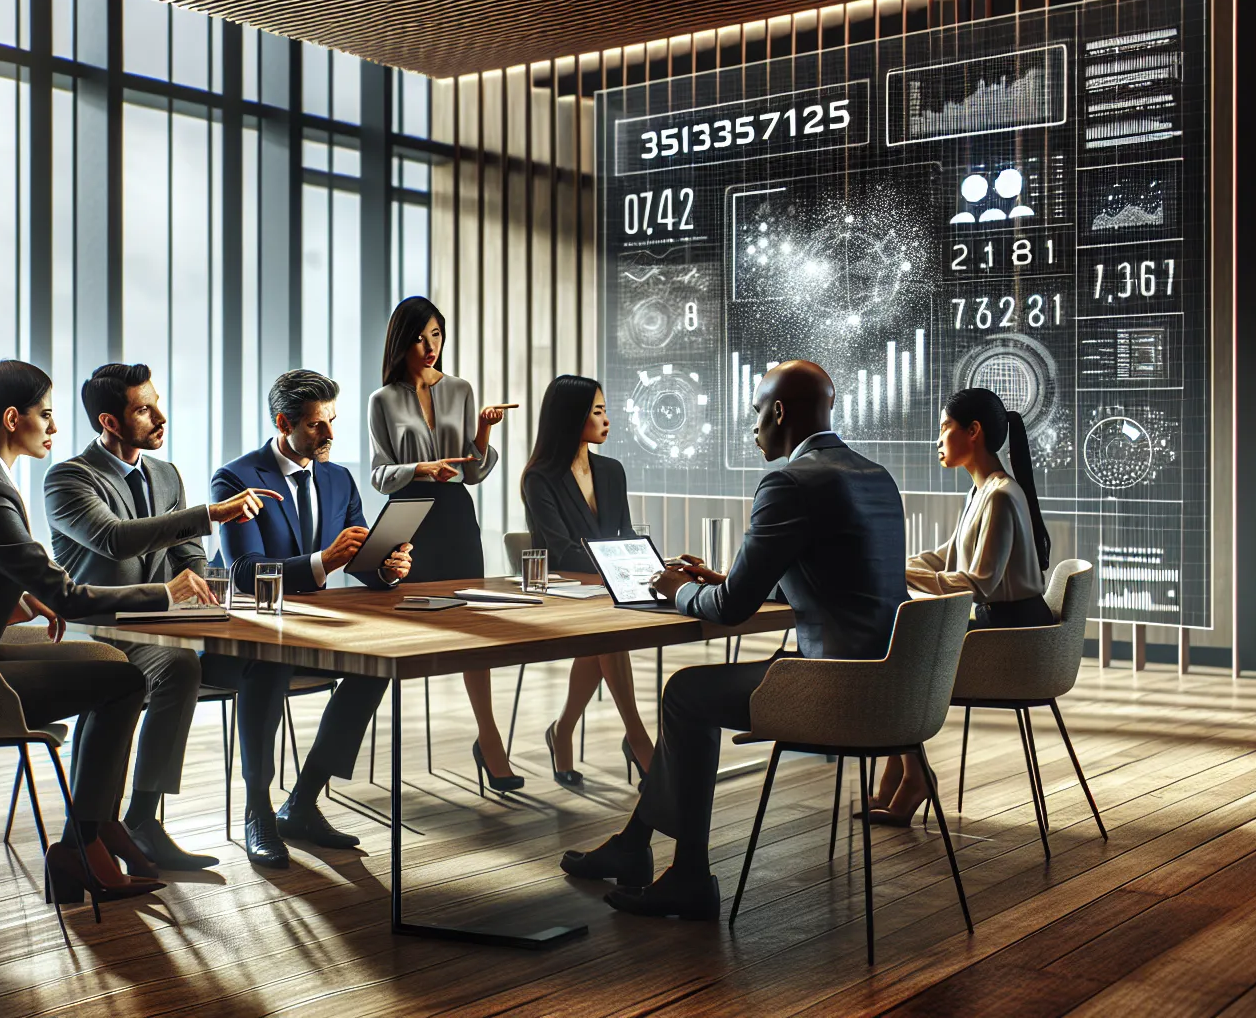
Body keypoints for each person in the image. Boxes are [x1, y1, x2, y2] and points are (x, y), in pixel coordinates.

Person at [558, 360, 908, 921]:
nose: (752, 427)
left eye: (756, 412)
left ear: (779, 412)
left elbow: (728, 611)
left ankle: (690, 876)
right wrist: (727, 578)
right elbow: (833, 576)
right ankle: (633, 843)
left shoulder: (789, 483)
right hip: (890, 684)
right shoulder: (874, 475)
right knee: (695, 694)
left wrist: (677, 590)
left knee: (686, 694)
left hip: (834, 690)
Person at [0, 359, 209, 903]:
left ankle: (99, 827)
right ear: (13, 419)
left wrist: (20, 597)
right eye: (45, 415)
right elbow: (68, 595)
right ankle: (80, 843)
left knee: (112, 668)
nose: (54, 427)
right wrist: (165, 593)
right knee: (123, 683)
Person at [44, 362, 285, 869]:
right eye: (144, 409)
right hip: (97, 629)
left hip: (162, 629)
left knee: (232, 661)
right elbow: (114, 539)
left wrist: (200, 584)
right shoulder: (68, 478)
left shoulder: (165, 474)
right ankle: (114, 827)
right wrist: (210, 513)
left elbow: (187, 551)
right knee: (176, 666)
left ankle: (142, 819)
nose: (160, 417)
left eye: (157, 403)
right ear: (109, 422)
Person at [208, 369, 414, 869]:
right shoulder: (235, 478)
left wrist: (387, 568)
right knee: (269, 663)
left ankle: (302, 801)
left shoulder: (338, 478)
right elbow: (244, 571)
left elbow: (359, 560)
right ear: (284, 423)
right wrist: (324, 560)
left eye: (332, 421)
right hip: (243, 637)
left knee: (374, 665)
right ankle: (258, 811)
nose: (329, 433)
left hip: (309, 631)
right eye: (318, 424)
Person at [865, 387, 1056, 826]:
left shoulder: (1001, 495)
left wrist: (895, 573)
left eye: (945, 428)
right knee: (899, 647)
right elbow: (946, 558)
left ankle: (912, 777)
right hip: (1000, 625)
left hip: (1011, 638)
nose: (937, 440)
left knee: (900, 656)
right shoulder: (981, 492)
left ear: (973, 431)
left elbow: (977, 584)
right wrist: (893, 564)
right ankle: (899, 777)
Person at [367, 296, 522, 790]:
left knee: (473, 625)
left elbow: (472, 472)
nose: (429, 345)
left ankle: (489, 739)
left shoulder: (460, 389)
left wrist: (483, 430)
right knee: (406, 625)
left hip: (455, 513)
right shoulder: (382, 400)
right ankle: (386, 746)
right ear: (401, 341)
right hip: (408, 515)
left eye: (435, 335)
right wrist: (420, 468)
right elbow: (378, 475)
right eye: (418, 337)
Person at [519, 374, 654, 786]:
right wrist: (621, 565)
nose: (606, 420)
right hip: (561, 592)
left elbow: (625, 535)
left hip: (606, 590)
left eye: (605, 410)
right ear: (572, 416)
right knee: (610, 636)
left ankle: (562, 731)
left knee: (606, 637)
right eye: (597, 411)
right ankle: (638, 738)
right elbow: (561, 551)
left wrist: (653, 565)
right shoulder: (539, 477)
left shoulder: (612, 471)